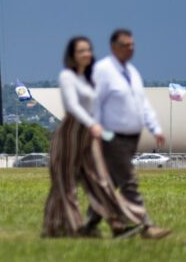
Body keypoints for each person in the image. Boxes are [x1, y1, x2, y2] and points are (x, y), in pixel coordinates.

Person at [42, 36, 146, 238]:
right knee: (64, 184)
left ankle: (118, 224)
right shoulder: (67, 77)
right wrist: (92, 125)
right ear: (72, 55)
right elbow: (71, 106)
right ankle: (67, 228)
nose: (86, 54)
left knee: (100, 180)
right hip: (71, 134)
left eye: (88, 50)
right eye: (81, 50)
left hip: (89, 135)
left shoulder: (90, 79)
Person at [82, 28, 171, 240]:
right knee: (129, 181)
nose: (131, 49)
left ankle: (89, 225)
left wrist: (155, 127)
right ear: (114, 47)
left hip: (131, 138)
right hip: (112, 137)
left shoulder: (132, 72)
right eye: (126, 45)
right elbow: (95, 101)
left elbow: (142, 103)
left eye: (132, 45)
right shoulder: (104, 70)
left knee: (111, 183)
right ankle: (146, 225)